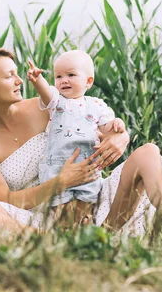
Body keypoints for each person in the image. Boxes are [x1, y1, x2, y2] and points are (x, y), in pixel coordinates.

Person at [0, 48, 162, 238]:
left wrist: (121, 137)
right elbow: (4, 199)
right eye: (9, 76)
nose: (19, 80)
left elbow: (95, 118)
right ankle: (50, 242)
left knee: (149, 152)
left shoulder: (46, 106)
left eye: (17, 73)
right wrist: (61, 182)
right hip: (37, 219)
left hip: (92, 198)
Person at [26, 50, 125, 225]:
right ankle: (65, 230)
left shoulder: (96, 105)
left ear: (88, 81)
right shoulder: (56, 102)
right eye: (58, 76)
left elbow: (108, 129)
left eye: (71, 75)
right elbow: (46, 92)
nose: (64, 80)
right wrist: (37, 80)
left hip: (87, 165)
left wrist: (117, 124)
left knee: (85, 208)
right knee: (63, 211)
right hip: (57, 166)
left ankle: (83, 230)